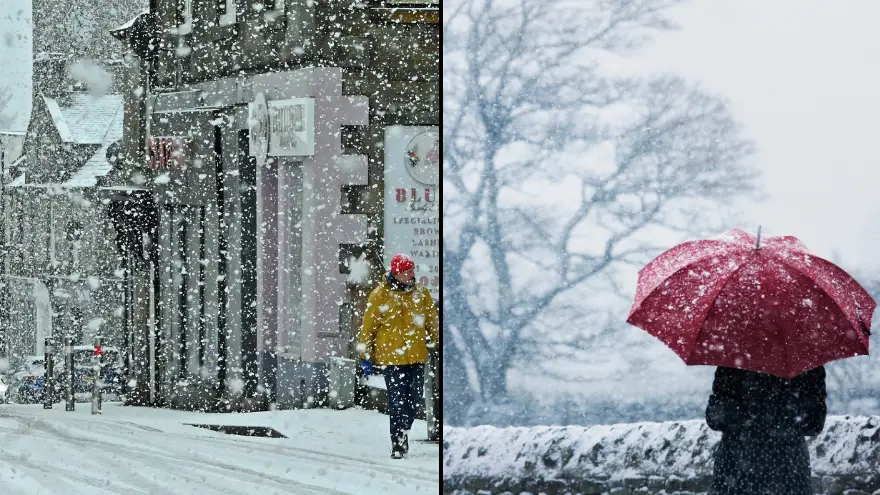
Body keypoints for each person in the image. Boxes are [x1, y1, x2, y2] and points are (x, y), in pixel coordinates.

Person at [357, 254, 439, 459]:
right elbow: (369, 327)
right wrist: (365, 354)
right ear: (397, 273)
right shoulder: (379, 295)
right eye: (408, 270)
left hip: (417, 357)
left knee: (414, 401)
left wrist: (438, 343)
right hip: (392, 359)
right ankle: (399, 443)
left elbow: (433, 323)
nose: (412, 273)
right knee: (397, 401)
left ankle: (404, 429)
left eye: (413, 269)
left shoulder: (421, 294)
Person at [706, 365, 827, 495]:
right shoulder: (805, 361)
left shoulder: (732, 361)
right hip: (789, 471)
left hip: (735, 471)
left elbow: (716, 420)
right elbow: (814, 425)